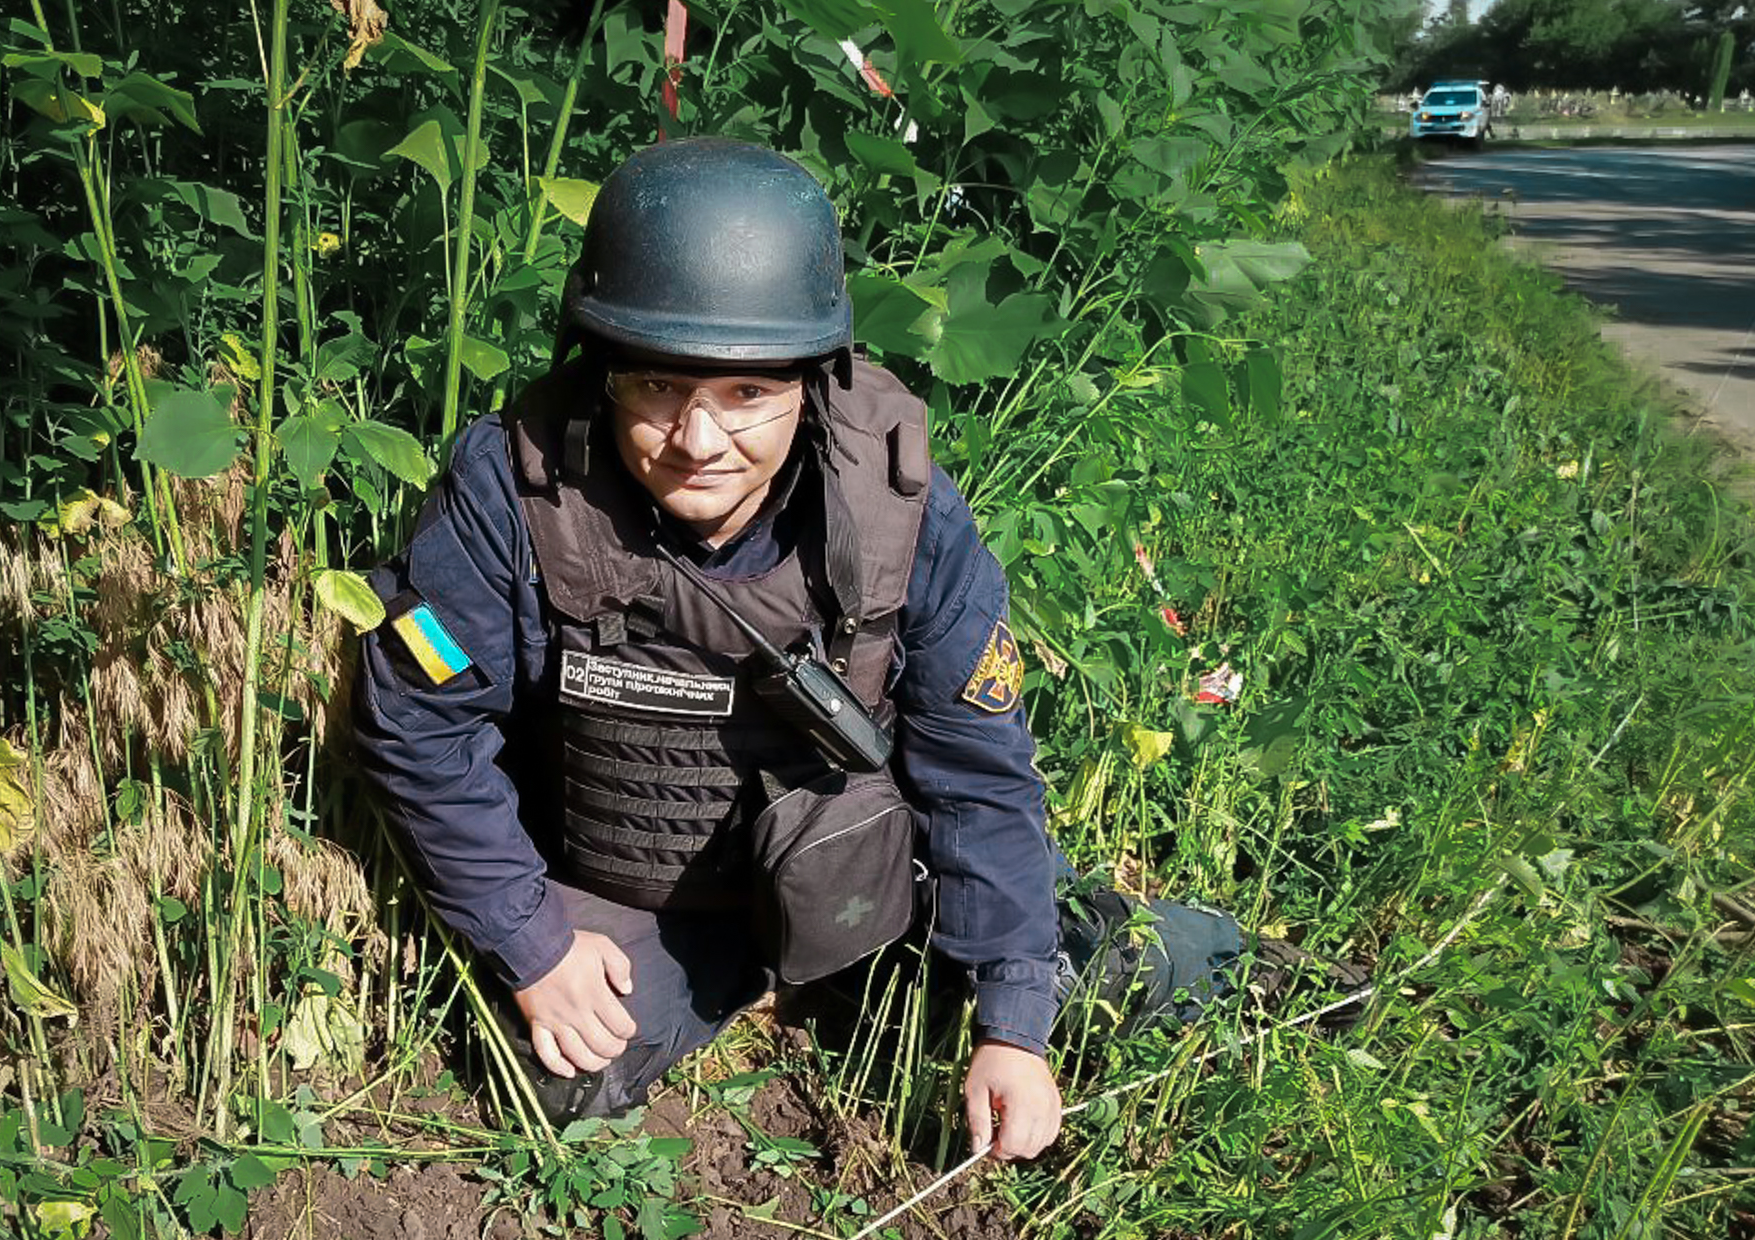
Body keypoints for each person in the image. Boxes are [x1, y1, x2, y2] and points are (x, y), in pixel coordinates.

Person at [352, 138, 1243, 1163]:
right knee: (547, 1077)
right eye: (654, 387)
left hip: (862, 869)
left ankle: (1254, 968)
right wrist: (530, 940)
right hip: (647, 894)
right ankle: (749, 984)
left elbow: (977, 775)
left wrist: (1011, 1021)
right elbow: (419, 728)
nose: (697, 439)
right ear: (598, 371)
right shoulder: (511, 490)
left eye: (746, 396)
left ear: (812, 385)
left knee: (1068, 978)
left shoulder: (899, 510)